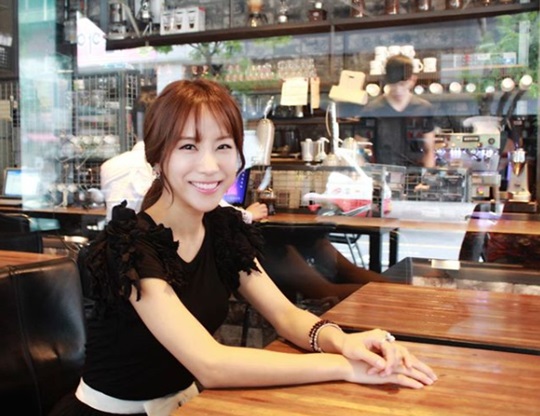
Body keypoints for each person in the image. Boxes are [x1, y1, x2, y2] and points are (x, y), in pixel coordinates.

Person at [51, 79, 436, 416]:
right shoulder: (129, 245)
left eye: (223, 146)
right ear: (157, 158)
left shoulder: (223, 230)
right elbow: (211, 364)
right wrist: (344, 367)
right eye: (188, 146)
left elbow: (285, 315)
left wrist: (343, 342)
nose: (210, 166)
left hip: (190, 405)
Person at [357, 54, 436, 168]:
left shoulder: (423, 109)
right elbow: (358, 150)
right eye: (393, 85)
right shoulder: (372, 110)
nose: (398, 90)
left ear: (413, 80)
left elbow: (429, 151)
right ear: (386, 81)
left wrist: (427, 177)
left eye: (402, 84)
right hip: (382, 174)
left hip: (415, 176)